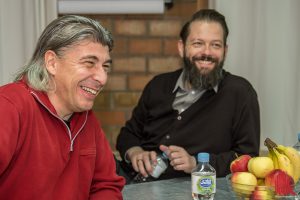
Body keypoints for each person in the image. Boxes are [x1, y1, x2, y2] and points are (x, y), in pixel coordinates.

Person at [116, 9, 260, 183]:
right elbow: (128, 134)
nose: (207, 52)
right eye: (198, 43)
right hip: (128, 180)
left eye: (215, 45)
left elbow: (247, 158)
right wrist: (135, 152)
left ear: (225, 50)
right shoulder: (158, 85)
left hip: (185, 188)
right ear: (181, 47)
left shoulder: (240, 92)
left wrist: (196, 163)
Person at [0, 15, 125, 199]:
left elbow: (105, 185)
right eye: (89, 63)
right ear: (52, 63)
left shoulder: (87, 118)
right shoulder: (9, 105)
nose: (102, 78)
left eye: (105, 67)